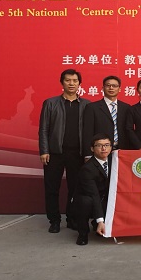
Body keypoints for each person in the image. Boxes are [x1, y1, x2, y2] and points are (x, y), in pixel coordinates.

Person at [39, 68, 90, 233]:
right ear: (62, 82)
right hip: (54, 153)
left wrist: (88, 153)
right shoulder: (50, 103)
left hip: (77, 154)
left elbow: (89, 130)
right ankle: (54, 220)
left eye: (75, 81)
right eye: (68, 80)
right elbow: (44, 129)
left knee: (75, 188)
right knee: (51, 188)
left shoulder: (86, 105)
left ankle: (71, 219)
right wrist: (44, 150)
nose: (71, 83)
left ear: (79, 84)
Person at [72, 134, 112, 245]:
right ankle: (83, 233)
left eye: (106, 145)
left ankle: (97, 223)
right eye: (99, 145)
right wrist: (101, 220)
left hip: (104, 198)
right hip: (88, 199)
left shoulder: (115, 161)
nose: (103, 148)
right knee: (86, 202)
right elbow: (94, 195)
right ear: (92, 149)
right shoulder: (87, 169)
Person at [82, 75, 130, 154]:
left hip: (122, 151)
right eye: (108, 85)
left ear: (119, 89)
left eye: (114, 86)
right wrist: (88, 154)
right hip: (100, 151)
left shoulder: (126, 107)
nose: (111, 88)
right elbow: (88, 132)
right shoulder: (92, 107)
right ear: (103, 88)